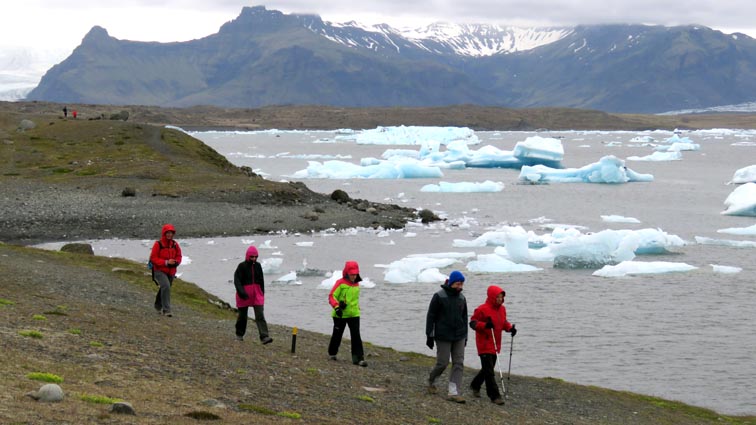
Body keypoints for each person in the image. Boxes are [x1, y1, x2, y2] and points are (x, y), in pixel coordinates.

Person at [469, 285, 517, 405]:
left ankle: (475, 385)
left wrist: (510, 328)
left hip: (495, 344)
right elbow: (473, 323)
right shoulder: (482, 309)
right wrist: (485, 325)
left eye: (501, 297)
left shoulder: (502, 309)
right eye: (498, 297)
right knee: (489, 371)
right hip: (484, 343)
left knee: (487, 369)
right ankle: (494, 396)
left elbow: (503, 322)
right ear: (492, 297)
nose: (500, 299)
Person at [425, 270, 468, 403]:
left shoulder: (462, 298)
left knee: (458, 363)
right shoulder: (439, 296)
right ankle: (431, 379)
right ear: (451, 282)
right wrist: (429, 335)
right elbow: (431, 316)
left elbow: (464, 318)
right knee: (443, 362)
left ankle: (453, 392)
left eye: (461, 284)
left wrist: (465, 336)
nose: (460, 287)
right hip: (443, 335)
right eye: (458, 284)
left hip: (459, 335)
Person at [327, 261, 367, 367]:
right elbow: (331, 296)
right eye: (352, 274)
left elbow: (354, 299)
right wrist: (337, 307)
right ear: (346, 272)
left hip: (354, 314)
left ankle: (358, 359)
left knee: (356, 336)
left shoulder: (357, 283)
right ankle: (332, 353)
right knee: (337, 335)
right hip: (340, 314)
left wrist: (357, 307)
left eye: (355, 274)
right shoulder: (340, 283)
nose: (354, 276)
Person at [233, 245, 272, 344]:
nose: (254, 258)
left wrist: (262, 293)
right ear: (248, 256)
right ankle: (239, 334)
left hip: (257, 294)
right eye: (252, 257)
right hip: (244, 295)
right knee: (242, 316)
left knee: (260, 315)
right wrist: (241, 292)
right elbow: (237, 280)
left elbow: (261, 281)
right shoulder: (241, 266)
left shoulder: (258, 266)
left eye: (255, 257)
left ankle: (264, 336)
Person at [149, 224, 182, 317]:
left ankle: (157, 305)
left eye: (171, 233)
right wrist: (166, 262)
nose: (169, 235)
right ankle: (167, 310)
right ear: (164, 233)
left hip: (171, 271)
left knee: (164, 287)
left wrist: (176, 262)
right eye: (167, 233)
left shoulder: (175, 245)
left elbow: (179, 256)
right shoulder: (158, 244)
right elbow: (153, 258)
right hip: (159, 270)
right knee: (166, 286)